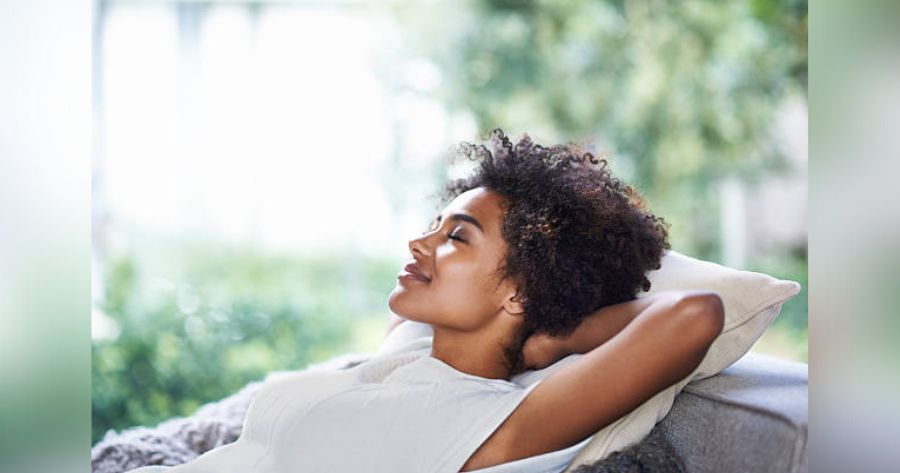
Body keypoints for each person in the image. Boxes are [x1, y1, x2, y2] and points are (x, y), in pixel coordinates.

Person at [129, 130, 724, 473]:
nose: (419, 243)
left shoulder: (491, 422)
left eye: (456, 237)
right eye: (433, 226)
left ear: (518, 292)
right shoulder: (409, 356)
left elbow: (694, 315)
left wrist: (552, 337)